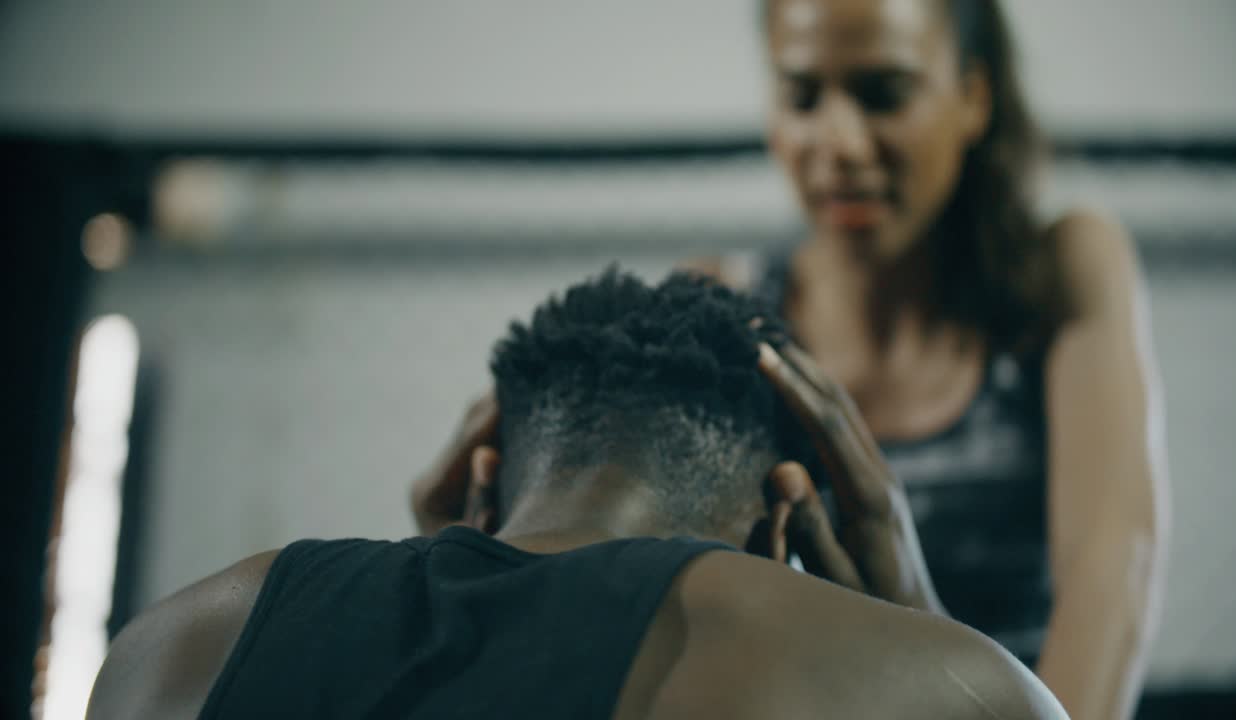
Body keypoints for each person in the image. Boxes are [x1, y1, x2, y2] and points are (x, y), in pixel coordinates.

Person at [413, 2, 1170, 718]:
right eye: (803, 97)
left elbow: (1117, 566)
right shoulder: (724, 304)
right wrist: (458, 569)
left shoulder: (1062, 271)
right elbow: (639, 605)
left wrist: (942, 641)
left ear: (973, 96)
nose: (838, 142)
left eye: (883, 94)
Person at [90, 270, 1066, 719]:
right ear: (782, 522)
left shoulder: (171, 646)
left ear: (480, 473)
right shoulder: (937, 692)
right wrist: (920, 621)